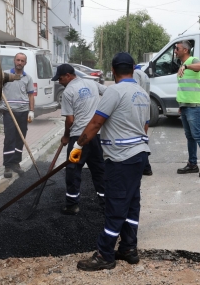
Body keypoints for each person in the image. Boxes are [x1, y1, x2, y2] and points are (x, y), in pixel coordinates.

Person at [70, 52, 150, 271]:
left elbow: (96, 123)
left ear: (113, 71)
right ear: (132, 69)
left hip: (121, 158)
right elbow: (145, 126)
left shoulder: (114, 91)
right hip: (140, 155)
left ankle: (105, 255)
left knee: (115, 205)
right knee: (132, 203)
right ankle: (128, 248)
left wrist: (78, 146)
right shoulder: (142, 93)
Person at [53, 64, 107, 215]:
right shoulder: (91, 82)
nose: (59, 81)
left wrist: (66, 136)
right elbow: (109, 93)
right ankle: (105, 203)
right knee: (98, 169)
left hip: (79, 139)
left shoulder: (68, 92)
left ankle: (72, 205)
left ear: (69, 75)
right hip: (95, 135)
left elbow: (70, 120)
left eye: (60, 78)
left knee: (73, 170)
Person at [174, 40, 200, 177]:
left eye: (177, 48)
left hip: (195, 106)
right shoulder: (182, 65)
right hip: (186, 106)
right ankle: (192, 164)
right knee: (190, 137)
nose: (175, 50)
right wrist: (181, 105)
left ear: (185, 50)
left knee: (197, 135)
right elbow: (184, 88)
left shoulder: (192, 61)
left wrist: (186, 66)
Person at [0, 53, 35, 178]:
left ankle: (16, 163)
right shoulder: (5, 75)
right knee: (10, 138)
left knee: (21, 138)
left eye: (22, 61)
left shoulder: (28, 78)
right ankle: (8, 165)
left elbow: (31, 95)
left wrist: (31, 110)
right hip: (9, 111)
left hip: (23, 111)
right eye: (18, 60)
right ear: (14, 61)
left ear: (25, 63)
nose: (19, 62)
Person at [133, 65, 153, 176]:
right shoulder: (144, 74)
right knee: (142, 137)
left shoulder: (135, 74)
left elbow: (133, 90)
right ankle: (146, 167)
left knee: (137, 139)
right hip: (145, 107)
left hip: (138, 108)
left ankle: (145, 167)